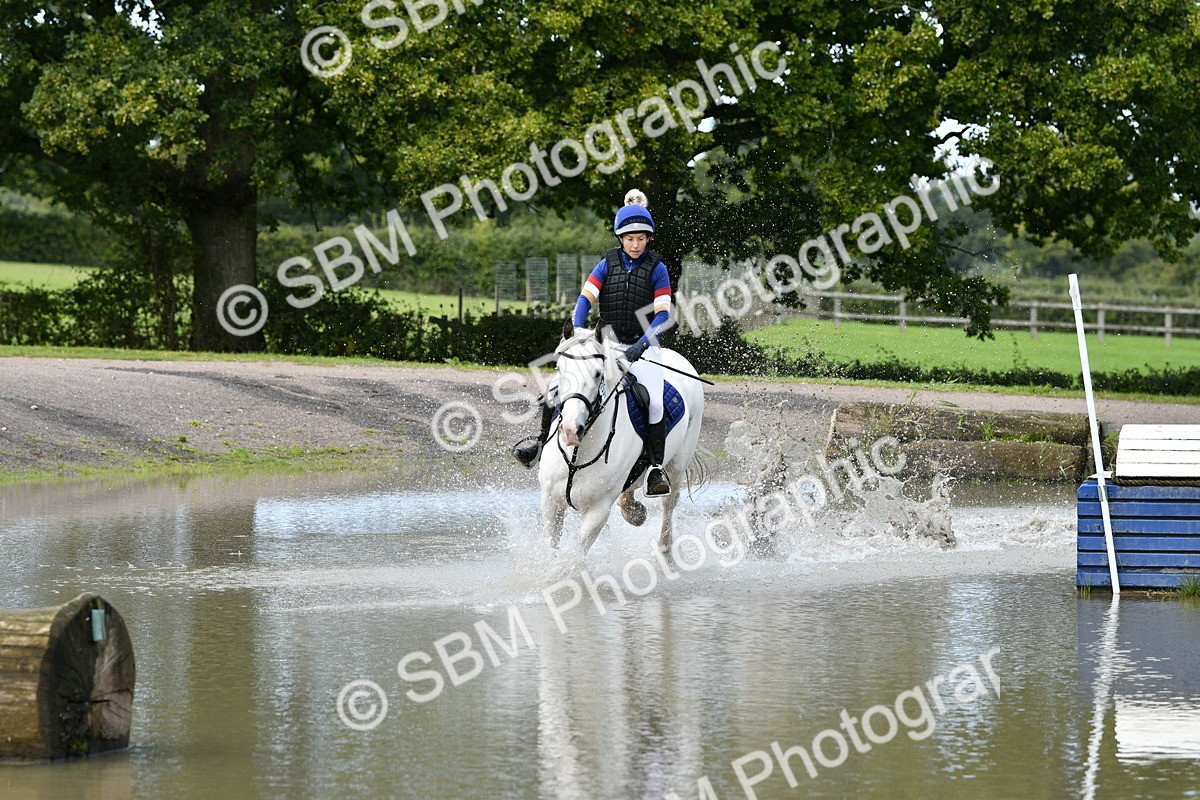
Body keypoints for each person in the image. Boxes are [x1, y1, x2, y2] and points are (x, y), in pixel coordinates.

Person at [513, 189, 674, 496]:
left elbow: (663, 315)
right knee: (556, 388)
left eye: (641, 239)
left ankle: (655, 467)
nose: (635, 244)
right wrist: (576, 330)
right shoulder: (606, 264)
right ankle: (540, 442)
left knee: (654, 402)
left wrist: (641, 345)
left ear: (648, 239)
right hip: (605, 345)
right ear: (620, 239)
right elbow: (586, 299)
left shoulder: (658, 269)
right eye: (630, 239)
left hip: (643, 348)